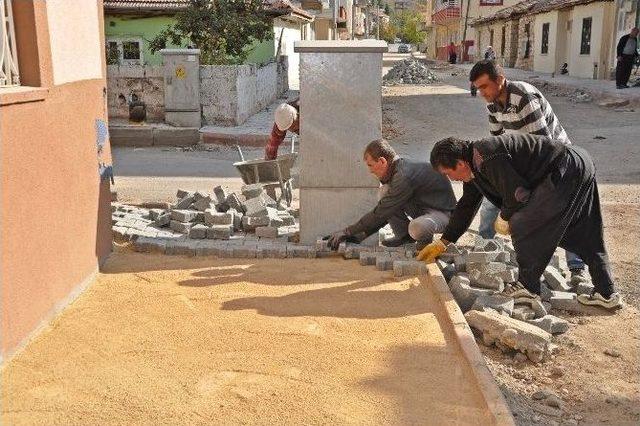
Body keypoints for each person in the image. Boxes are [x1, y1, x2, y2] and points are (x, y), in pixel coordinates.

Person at [420, 134, 622, 310]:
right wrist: (444, 241)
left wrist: (505, 217)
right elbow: (466, 206)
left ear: (460, 164)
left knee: (522, 222)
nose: (452, 179)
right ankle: (606, 293)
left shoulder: (487, 154)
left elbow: (517, 195)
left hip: (565, 166)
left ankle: (527, 287)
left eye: (448, 173)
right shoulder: (476, 166)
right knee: (583, 231)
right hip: (579, 163)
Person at [468, 60, 588, 286]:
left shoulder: (523, 96)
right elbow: (497, 144)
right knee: (491, 203)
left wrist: (521, 187)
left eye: (484, 87)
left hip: (557, 161)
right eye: (478, 88)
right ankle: (482, 251)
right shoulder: (493, 105)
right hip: (525, 160)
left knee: (563, 212)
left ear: (500, 80)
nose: (481, 93)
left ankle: (576, 268)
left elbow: (543, 145)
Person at [326, 139, 456, 250]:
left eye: (371, 165)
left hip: (443, 215)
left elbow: (381, 212)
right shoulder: (398, 169)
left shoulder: (403, 176)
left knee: (416, 227)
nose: (370, 171)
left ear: (382, 161)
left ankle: (423, 246)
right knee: (385, 192)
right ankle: (404, 237)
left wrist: (347, 231)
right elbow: (386, 211)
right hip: (422, 208)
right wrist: (359, 236)